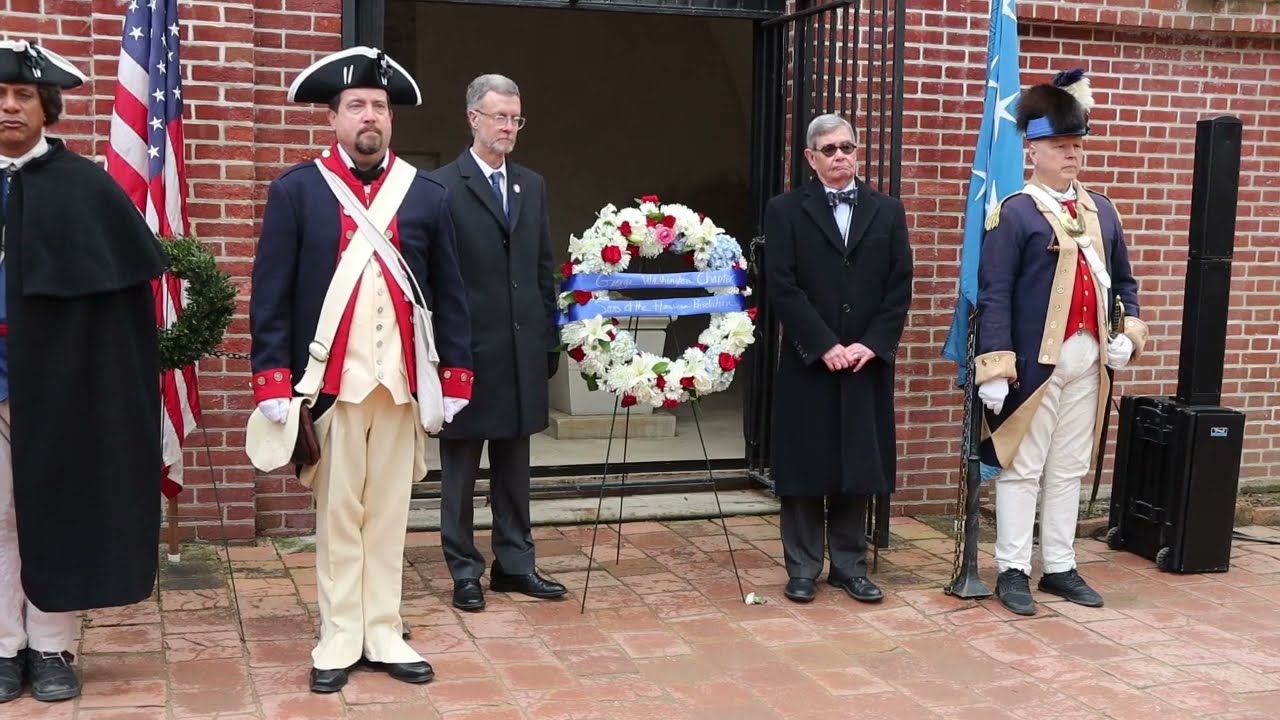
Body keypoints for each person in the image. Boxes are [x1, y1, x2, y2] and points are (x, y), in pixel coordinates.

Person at [247, 46, 474, 693]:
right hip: (332, 389)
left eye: (378, 105)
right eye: (356, 106)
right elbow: (272, 294)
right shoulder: (297, 191)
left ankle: (385, 630)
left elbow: (450, 293)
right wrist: (271, 380)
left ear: (390, 119)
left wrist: (454, 376)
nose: (369, 116)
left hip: (400, 387)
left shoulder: (425, 195)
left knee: (391, 514)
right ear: (334, 118)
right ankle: (340, 634)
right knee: (339, 515)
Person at [0, 40, 168, 703]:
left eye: (22, 96)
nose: (9, 106)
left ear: (46, 107)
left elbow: (121, 321)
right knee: (0, 519)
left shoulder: (86, 188)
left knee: (56, 512)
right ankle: (3, 645)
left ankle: (49, 647)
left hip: (62, 384)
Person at [975, 69, 1148, 616]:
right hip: (1033, 363)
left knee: (1069, 466)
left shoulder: (1103, 210)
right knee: (1023, 467)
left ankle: (1060, 564)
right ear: (1033, 150)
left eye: (1076, 145)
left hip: (1090, 359)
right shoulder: (1015, 214)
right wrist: (996, 368)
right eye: (1059, 146)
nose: (1071, 155)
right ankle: (1011, 568)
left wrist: (1126, 335)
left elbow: (1124, 284)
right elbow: (995, 294)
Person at [762, 113, 913, 605]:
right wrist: (823, 344)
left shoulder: (886, 211)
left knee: (857, 463)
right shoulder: (784, 210)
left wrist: (873, 343)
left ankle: (850, 566)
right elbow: (782, 285)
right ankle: (803, 566)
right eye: (829, 149)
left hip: (865, 360)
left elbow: (899, 285)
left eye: (848, 146)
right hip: (811, 359)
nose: (841, 155)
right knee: (807, 464)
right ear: (811, 158)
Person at [428, 74, 565, 612]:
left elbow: (541, 269)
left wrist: (548, 341)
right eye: (499, 116)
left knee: (515, 467)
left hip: (521, 352)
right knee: (460, 472)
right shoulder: (439, 186)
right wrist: (442, 354)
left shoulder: (531, 185)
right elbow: (434, 280)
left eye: (516, 118)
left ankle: (515, 564)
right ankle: (465, 570)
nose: (509, 127)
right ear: (473, 118)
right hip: (465, 356)